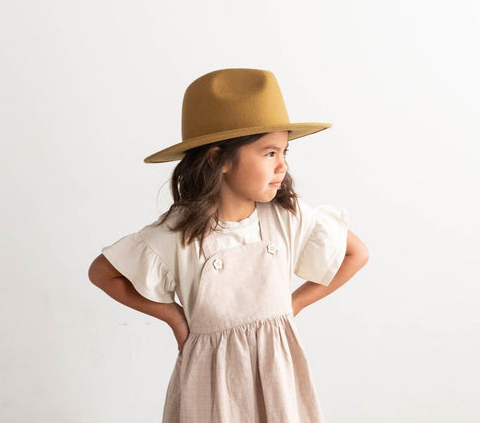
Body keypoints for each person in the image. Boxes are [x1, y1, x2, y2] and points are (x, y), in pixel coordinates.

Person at [88, 67, 369, 422]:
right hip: (209, 384)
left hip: (278, 379)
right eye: (269, 153)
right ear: (217, 159)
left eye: (284, 151)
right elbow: (103, 273)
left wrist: (293, 304)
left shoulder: (287, 217)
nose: (282, 165)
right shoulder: (178, 234)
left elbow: (356, 253)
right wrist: (174, 317)